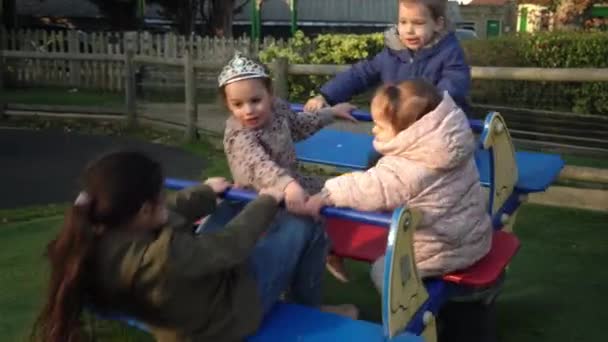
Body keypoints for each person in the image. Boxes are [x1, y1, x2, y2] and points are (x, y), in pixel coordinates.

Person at [32, 151, 355, 342]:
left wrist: (204, 193)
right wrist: (268, 199)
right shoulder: (163, 256)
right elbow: (232, 244)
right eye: (159, 195)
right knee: (305, 224)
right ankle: (309, 307)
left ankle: (296, 289)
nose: (164, 200)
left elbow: (166, 216)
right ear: (143, 209)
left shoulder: (96, 234)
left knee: (226, 208)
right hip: (228, 315)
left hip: (188, 305)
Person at [304, 80, 492, 292]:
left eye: (381, 126)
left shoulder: (408, 168)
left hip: (440, 251)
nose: (374, 129)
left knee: (384, 270)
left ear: (409, 132)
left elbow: (370, 187)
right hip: (476, 236)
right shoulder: (452, 145)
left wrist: (326, 194)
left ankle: (413, 315)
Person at [209, 52, 357, 282]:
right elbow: (258, 165)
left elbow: (299, 125)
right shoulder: (238, 133)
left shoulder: (278, 110)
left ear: (269, 93)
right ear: (228, 103)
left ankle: (328, 249)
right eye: (237, 104)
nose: (248, 110)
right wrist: (286, 185)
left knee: (336, 190)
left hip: (291, 182)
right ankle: (318, 255)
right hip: (258, 195)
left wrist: (330, 113)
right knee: (301, 226)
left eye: (255, 101)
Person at [304, 0, 471, 115]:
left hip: (438, 132)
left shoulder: (449, 54)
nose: (409, 30)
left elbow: (452, 88)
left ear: (438, 24)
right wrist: (326, 96)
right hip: (399, 130)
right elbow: (359, 74)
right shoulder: (392, 54)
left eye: (418, 23)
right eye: (403, 22)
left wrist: (418, 108)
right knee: (376, 161)